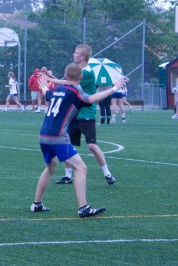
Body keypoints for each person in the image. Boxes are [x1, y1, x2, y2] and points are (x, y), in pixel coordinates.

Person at [31, 63, 126, 218]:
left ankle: (37, 204)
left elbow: (46, 92)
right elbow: (92, 98)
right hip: (58, 137)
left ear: (65, 75)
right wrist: (114, 88)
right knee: (81, 168)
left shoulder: (58, 90)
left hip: (44, 136)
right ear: (80, 77)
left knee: (50, 167)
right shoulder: (75, 92)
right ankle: (83, 208)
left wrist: (43, 85)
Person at [47, 44, 117, 185]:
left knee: (92, 146)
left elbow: (67, 83)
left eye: (76, 53)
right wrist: (49, 76)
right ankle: (68, 176)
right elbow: (67, 83)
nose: (74, 54)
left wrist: (49, 79)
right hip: (73, 113)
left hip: (86, 113)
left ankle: (107, 173)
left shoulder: (87, 72)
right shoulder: (77, 70)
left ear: (83, 57)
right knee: (67, 144)